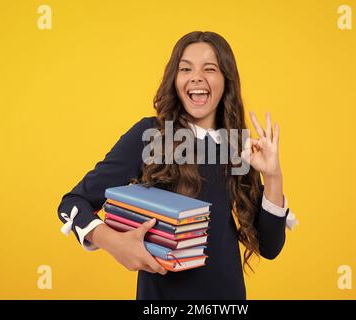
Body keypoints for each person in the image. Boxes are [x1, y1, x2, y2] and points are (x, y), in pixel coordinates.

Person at [57, 31, 297, 299]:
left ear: (225, 81)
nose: (196, 76)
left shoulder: (237, 146)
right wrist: (113, 242)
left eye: (210, 68)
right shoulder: (150, 135)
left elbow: (269, 246)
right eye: (186, 68)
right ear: (175, 79)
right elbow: (73, 203)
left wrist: (273, 177)